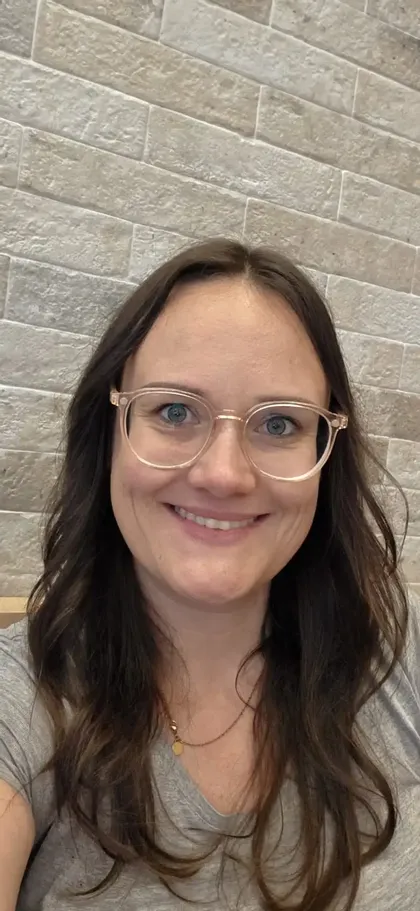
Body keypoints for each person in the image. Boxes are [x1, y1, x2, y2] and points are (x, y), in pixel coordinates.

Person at [0, 238, 418, 911]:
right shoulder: (21, 705)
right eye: (174, 411)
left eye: (278, 423)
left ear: (324, 456)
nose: (225, 474)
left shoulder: (396, 653)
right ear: (109, 434)